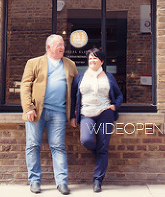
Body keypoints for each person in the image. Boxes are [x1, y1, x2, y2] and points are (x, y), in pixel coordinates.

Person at [20, 34, 78, 195]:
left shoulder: (70, 65)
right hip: (37, 112)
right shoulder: (34, 63)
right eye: (58, 45)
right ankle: (35, 181)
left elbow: (75, 90)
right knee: (32, 146)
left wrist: (75, 110)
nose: (62, 47)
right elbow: (25, 86)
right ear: (48, 47)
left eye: (63, 45)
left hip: (59, 113)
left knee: (58, 146)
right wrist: (28, 108)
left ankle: (62, 182)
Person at [71, 48, 123, 193]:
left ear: (101, 61)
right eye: (90, 58)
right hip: (86, 113)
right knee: (86, 140)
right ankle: (99, 152)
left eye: (95, 58)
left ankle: (97, 180)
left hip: (105, 113)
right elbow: (73, 98)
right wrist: (72, 116)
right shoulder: (80, 77)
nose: (92, 61)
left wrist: (115, 106)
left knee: (103, 145)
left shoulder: (109, 77)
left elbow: (119, 95)